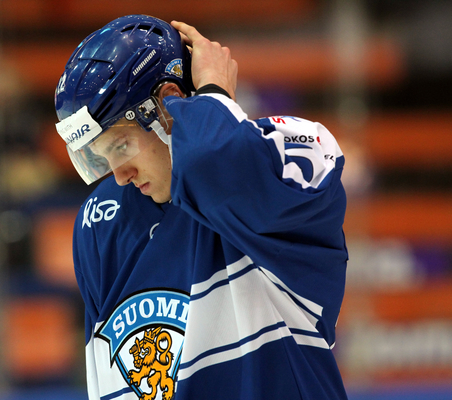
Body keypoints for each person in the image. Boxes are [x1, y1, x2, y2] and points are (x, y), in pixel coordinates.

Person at [54, 15, 348, 400]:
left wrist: (212, 92)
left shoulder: (296, 152)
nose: (120, 176)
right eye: (101, 156)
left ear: (167, 103)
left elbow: (215, 162)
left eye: (122, 145)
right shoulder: (102, 220)